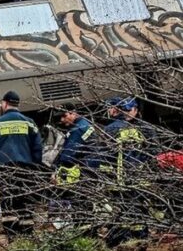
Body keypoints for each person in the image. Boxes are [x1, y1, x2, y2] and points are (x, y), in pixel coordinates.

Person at [97, 97, 158, 247]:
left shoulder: (111, 129)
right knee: (140, 212)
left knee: (120, 213)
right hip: (140, 180)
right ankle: (140, 241)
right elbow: (155, 154)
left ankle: (118, 243)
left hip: (117, 181)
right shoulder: (146, 129)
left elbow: (101, 156)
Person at [0, 91, 42, 235]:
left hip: (4, 169)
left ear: (5, 103)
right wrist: (36, 167)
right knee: (26, 203)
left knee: (8, 203)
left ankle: (12, 237)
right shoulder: (30, 123)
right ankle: (27, 236)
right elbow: (38, 148)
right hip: (26, 169)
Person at [54, 108, 98, 186]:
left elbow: (68, 155)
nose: (62, 119)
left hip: (86, 168)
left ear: (73, 113)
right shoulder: (84, 123)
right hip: (92, 164)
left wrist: (57, 171)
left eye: (64, 116)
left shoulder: (77, 130)